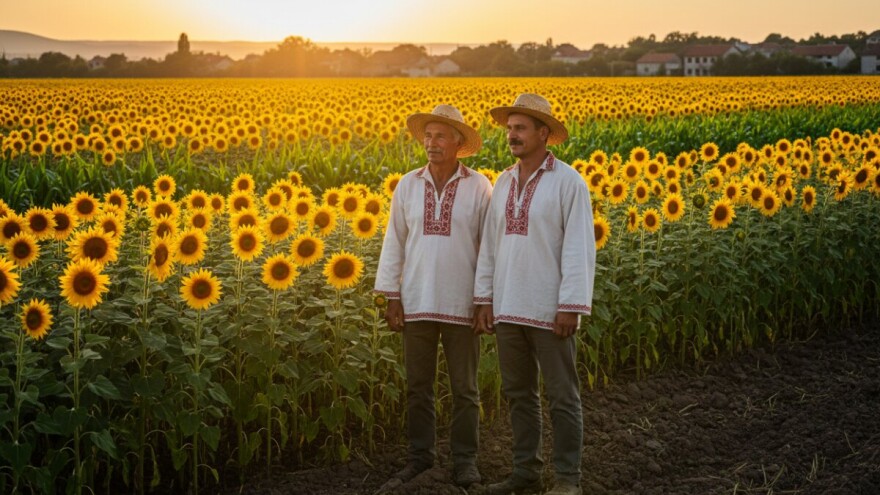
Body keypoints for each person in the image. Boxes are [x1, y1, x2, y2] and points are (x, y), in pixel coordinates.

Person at [474, 93, 596, 495]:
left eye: (520, 128)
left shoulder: (568, 182)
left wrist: (571, 306)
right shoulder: (503, 182)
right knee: (518, 395)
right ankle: (525, 472)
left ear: (544, 133)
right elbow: (490, 246)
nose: (512, 135)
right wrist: (485, 298)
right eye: (510, 128)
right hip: (509, 307)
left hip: (549, 309)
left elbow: (579, 246)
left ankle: (567, 480)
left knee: (562, 395)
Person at [374, 104, 492, 488]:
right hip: (417, 301)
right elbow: (394, 242)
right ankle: (420, 458)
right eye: (427, 136)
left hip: (462, 302)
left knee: (465, 390)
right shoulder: (408, 184)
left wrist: (484, 299)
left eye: (440, 136)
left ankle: (465, 461)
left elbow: (488, 246)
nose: (431, 143)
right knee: (418, 387)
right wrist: (392, 296)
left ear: (459, 141)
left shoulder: (479, 186)